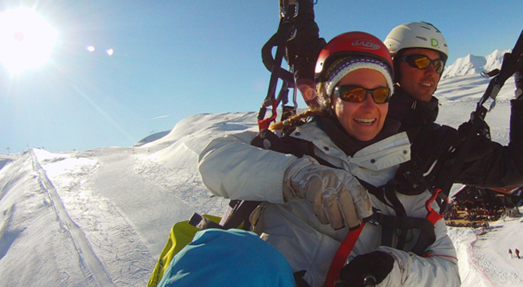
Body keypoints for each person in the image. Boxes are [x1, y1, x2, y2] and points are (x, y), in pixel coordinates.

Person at [195, 32, 460, 287]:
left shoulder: (408, 179)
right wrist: (295, 174)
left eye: (380, 95)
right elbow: (214, 159)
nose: (369, 107)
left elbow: (449, 274)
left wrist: (396, 270)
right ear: (328, 97)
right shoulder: (290, 145)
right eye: (354, 94)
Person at [383, 22, 523, 197]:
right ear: (392, 66)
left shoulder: (437, 144)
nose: (432, 72)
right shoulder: (366, 125)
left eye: (438, 65)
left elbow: (517, 167)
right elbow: (520, 168)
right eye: (420, 61)